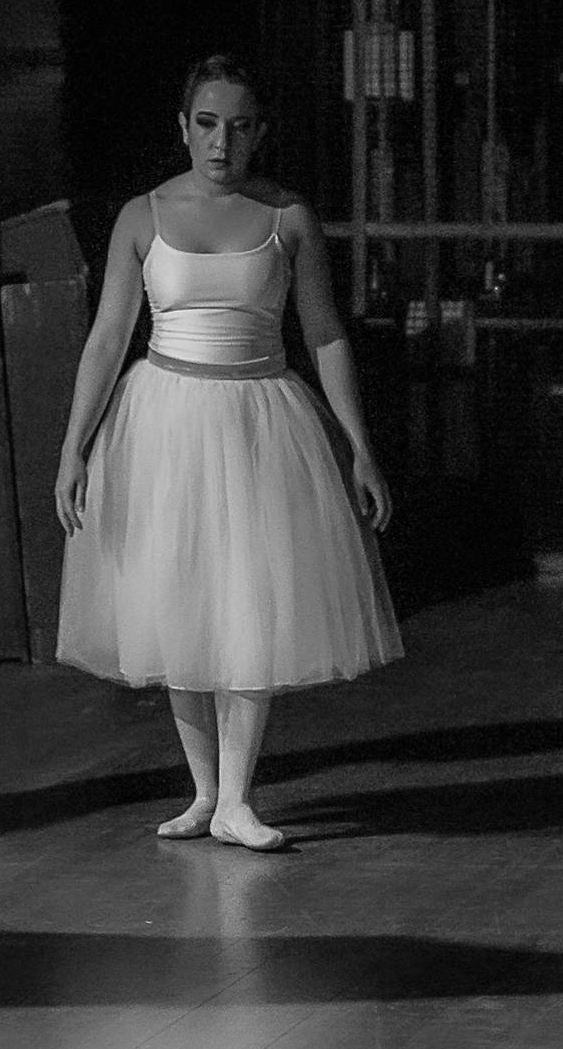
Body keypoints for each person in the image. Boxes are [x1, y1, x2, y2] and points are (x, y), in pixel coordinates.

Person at [52, 54, 399, 850]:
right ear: (183, 127)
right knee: (177, 599)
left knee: (248, 601)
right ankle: (205, 790)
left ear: (260, 132)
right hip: (164, 421)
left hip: (258, 418)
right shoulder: (143, 216)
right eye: (207, 123)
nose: (222, 141)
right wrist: (75, 444)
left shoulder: (288, 217)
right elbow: (108, 337)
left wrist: (359, 447)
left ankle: (240, 796)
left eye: (239, 126)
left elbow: (323, 333)